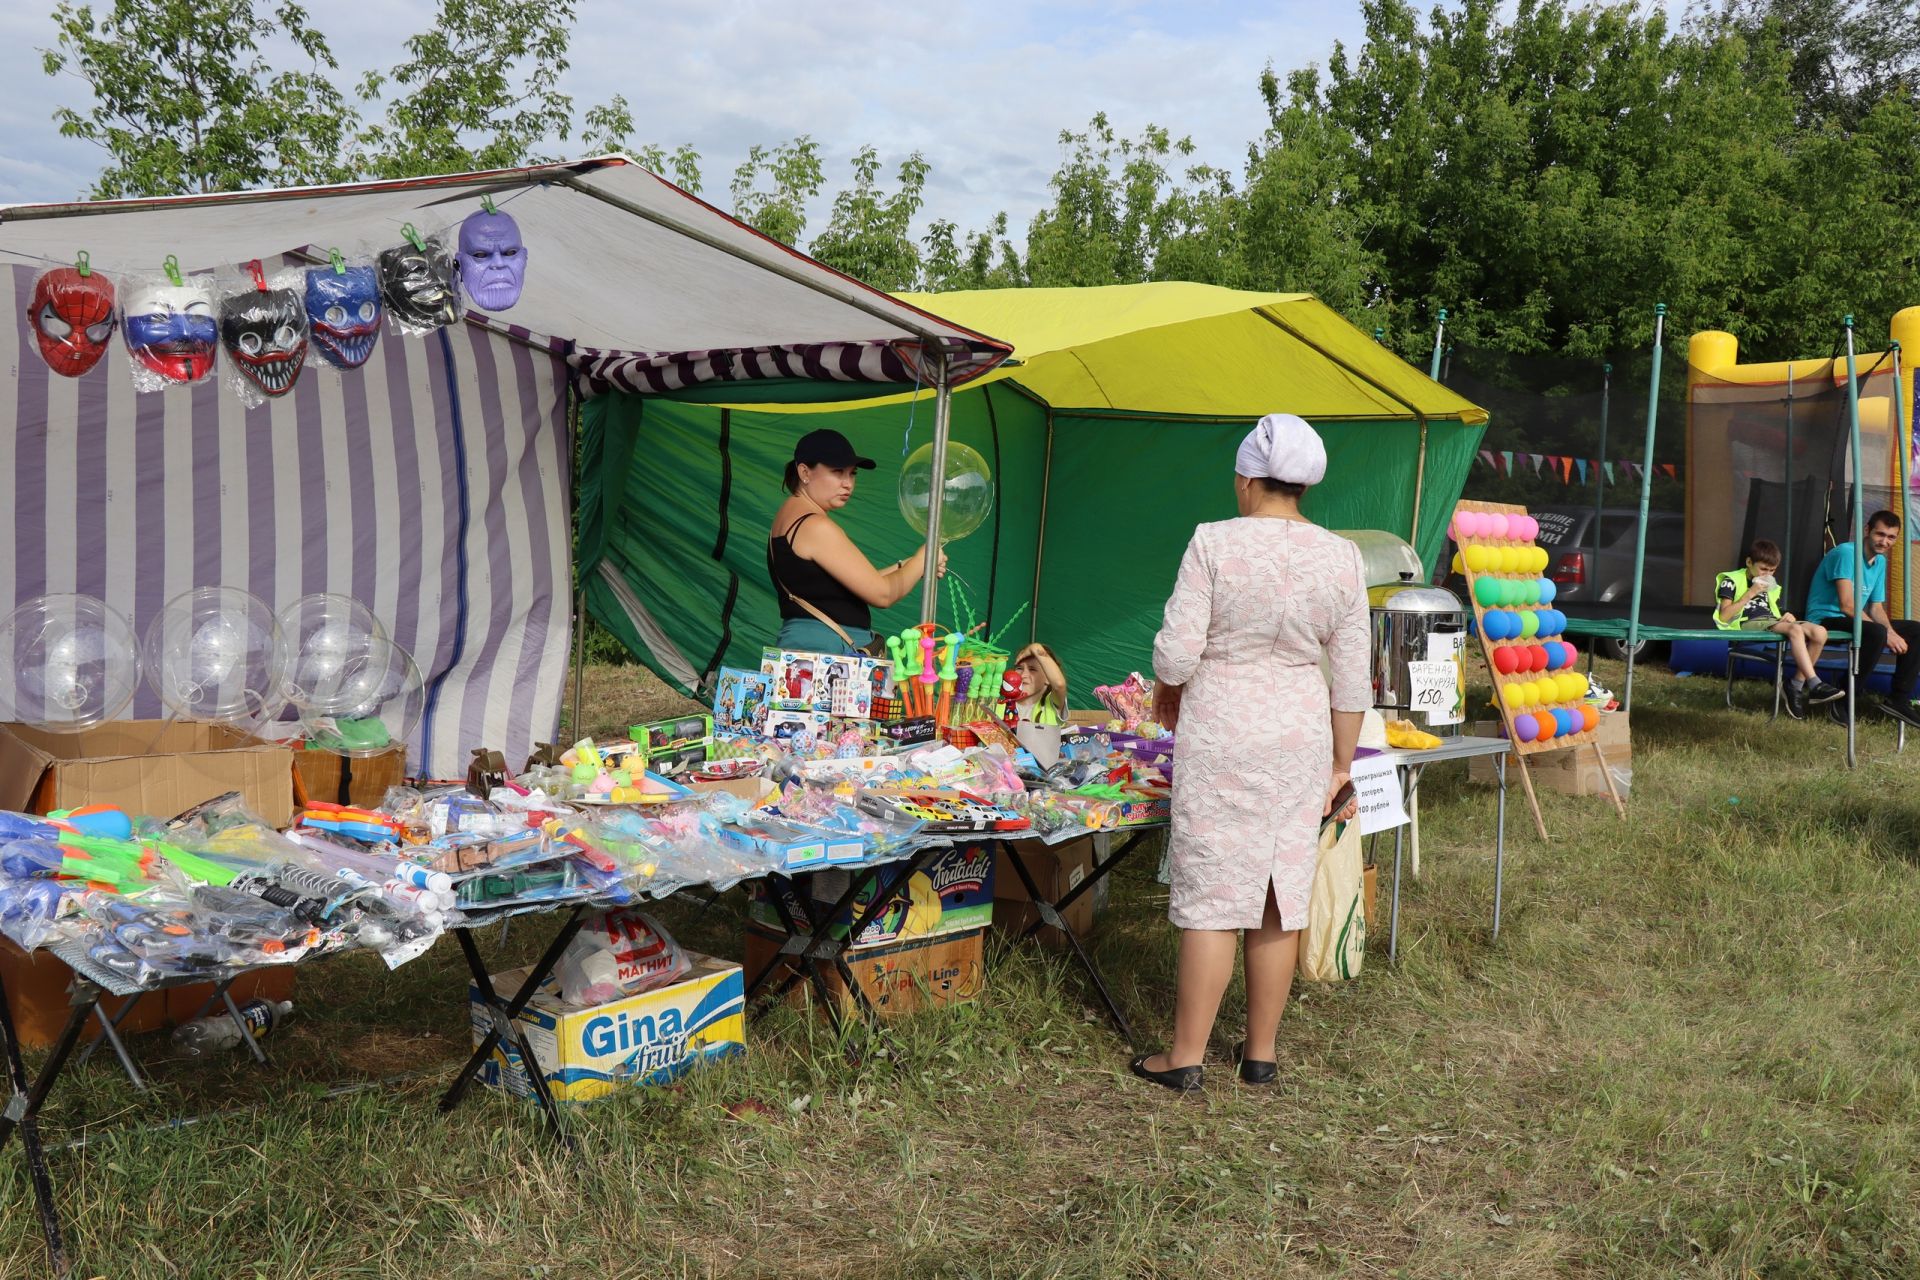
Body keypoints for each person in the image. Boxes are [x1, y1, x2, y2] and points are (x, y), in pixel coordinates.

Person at [1132, 412, 1369, 1093]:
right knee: (1278, 891)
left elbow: (1177, 653)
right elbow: (1352, 677)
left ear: (1244, 480)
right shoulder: (1342, 557)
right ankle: (1259, 1054)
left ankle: (1184, 1057)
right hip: (1299, 731)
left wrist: (1169, 682)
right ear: (1304, 486)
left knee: (1212, 895)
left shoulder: (1213, 542)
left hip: (1223, 726)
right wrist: (1340, 767)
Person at [767, 428, 944, 654]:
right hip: (826, 654)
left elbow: (851, 588)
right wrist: (925, 557)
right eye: (837, 471)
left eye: (852, 474)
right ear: (805, 472)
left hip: (806, 648)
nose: (847, 483)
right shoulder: (815, 526)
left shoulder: (789, 517)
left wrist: (909, 566)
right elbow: (883, 594)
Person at [1804, 510, 1920, 728]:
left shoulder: (1880, 562)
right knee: (1877, 632)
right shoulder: (1847, 553)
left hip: (1852, 619)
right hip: (1824, 619)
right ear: (1867, 530)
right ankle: (1844, 697)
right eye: (1880, 534)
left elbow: (1876, 608)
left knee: (1915, 629)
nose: (1884, 541)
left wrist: (1892, 633)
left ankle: (1899, 699)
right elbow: (1847, 605)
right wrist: (1885, 634)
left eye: (1891, 537)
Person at [1712, 537, 1843, 717]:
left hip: (1770, 620)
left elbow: (1768, 610)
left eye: (1772, 571)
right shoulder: (1731, 580)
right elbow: (1724, 616)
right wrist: (1750, 593)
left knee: (1819, 632)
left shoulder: (1771, 585)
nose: (1767, 575)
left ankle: (1795, 685)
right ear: (1749, 562)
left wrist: (1784, 616)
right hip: (1745, 623)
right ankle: (1814, 684)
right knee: (1795, 630)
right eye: (1763, 569)